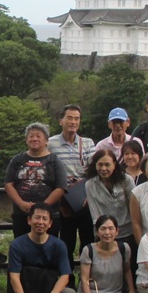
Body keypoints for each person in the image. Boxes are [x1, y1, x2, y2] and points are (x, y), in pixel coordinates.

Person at [6, 203, 77, 293]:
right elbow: (14, 278)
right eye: (37, 218)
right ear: (29, 220)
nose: (40, 222)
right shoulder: (17, 245)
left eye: (45, 219)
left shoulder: (59, 245)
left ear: (50, 224)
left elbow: (65, 276)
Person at [4, 122, 68, 238]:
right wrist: (21, 203)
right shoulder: (17, 160)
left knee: (48, 246)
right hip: (22, 214)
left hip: (47, 216)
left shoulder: (54, 161)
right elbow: (8, 184)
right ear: (26, 140)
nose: (34, 139)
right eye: (31, 136)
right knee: (22, 245)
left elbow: (61, 187)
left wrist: (42, 206)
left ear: (46, 140)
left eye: (38, 136)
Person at [79, 215, 136, 293]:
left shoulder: (124, 248)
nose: (107, 232)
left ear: (117, 231)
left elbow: (127, 270)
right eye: (103, 229)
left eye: (111, 228)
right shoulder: (88, 250)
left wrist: (132, 290)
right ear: (97, 231)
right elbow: (84, 279)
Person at [49, 105, 95, 259]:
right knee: (66, 240)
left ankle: (86, 272)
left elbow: (93, 170)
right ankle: (66, 272)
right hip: (62, 199)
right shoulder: (50, 143)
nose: (73, 122)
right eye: (69, 118)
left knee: (87, 239)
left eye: (77, 118)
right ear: (61, 121)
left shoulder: (87, 143)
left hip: (83, 198)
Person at [83, 149, 135, 248]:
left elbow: (134, 207)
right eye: (100, 164)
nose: (103, 168)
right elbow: (94, 213)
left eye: (107, 165)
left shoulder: (127, 180)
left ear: (114, 164)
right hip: (105, 234)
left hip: (127, 232)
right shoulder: (90, 185)